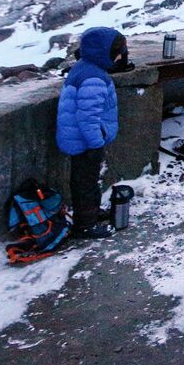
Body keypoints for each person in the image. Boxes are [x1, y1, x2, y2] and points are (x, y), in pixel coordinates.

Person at [56, 26, 127, 239]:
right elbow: (87, 118)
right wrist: (96, 144)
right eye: (119, 51)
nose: (121, 56)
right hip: (85, 142)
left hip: (80, 140)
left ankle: (91, 213)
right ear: (104, 53)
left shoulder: (85, 68)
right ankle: (84, 225)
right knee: (85, 183)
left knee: (87, 180)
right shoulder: (93, 79)